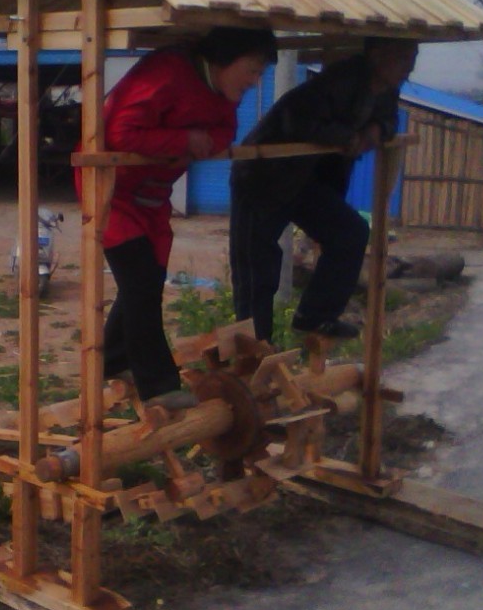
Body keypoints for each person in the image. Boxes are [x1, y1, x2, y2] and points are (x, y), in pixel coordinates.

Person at [78, 27, 278, 409]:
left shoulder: (220, 93)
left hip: (154, 197)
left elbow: (225, 132)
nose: (255, 82)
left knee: (147, 281)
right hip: (111, 193)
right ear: (223, 58)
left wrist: (200, 140)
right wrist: (184, 141)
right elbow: (118, 133)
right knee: (140, 283)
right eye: (252, 70)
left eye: (260, 74)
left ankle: (113, 359)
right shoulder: (167, 73)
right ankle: (159, 386)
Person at [229, 37, 419, 344]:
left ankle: (315, 316)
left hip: (304, 178)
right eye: (403, 58)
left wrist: (374, 131)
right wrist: (347, 137)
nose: (409, 67)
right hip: (263, 174)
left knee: (351, 232)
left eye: (413, 57)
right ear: (376, 54)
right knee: (256, 269)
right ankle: (255, 347)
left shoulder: (385, 88)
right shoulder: (342, 79)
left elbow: (388, 120)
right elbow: (299, 120)